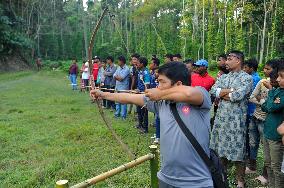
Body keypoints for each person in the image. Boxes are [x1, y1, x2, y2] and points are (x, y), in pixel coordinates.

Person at [90, 62, 213, 187]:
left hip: (196, 182)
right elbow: (128, 98)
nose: (158, 86)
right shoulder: (160, 103)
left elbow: (188, 93)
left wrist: (159, 94)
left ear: (179, 84)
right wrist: (103, 94)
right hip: (166, 179)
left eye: (162, 82)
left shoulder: (200, 96)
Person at [209, 50, 253, 188]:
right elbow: (213, 90)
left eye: (229, 59)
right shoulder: (223, 77)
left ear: (238, 60)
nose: (225, 62)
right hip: (221, 119)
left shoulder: (247, 78)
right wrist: (230, 90)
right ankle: (222, 175)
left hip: (237, 121)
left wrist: (223, 92)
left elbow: (238, 96)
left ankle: (240, 181)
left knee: (238, 150)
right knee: (219, 148)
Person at [247, 59, 279, 184]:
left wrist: (263, 102)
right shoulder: (261, 82)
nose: (265, 71)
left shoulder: (278, 88)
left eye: (268, 69)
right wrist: (263, 103)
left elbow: (272, 107)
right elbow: (251, 97)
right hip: (256, 116)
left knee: (267, 149)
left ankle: (266, 175)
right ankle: (252, 166)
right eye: (264, 68)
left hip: (267, 121)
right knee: (253, 143)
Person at [261, 63, 284, 188]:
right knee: (268, 163)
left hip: (276, 136)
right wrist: (271, 101)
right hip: (267, 132)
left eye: (281, 77)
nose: (278, 79)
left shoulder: (279, 93)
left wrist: (270, 92)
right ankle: (271, 185)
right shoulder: (277, 90)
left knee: (276, 167)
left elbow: (269, 106)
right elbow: (265, 107)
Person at [136, 56, 150, 133]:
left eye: (138, 63)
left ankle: (145, 128)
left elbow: (147, 85)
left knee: (144, 111)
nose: (136, 64)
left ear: (142, 64)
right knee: (139, 110)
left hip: (143, 94)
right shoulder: (140, 71)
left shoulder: (146, 72)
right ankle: (140, 124)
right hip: (138, 93)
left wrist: (144, 93)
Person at [113, 56, 130, 120]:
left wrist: (117, 77)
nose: (118, 62)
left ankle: (123, 116)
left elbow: (121, 78)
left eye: (118, 61)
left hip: (123, 87)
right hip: (117, 87)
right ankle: (117, 114)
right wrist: (117, 77)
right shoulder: (118, 68)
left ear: (122, 61)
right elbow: (114, 75)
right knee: (117, 101)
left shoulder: (127, 69)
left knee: (123, 102)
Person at [149, 56, 160, 142]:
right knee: (156, 116)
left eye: (151, 63)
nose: (150, 64)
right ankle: (157, 134)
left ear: (155, 65)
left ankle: (159, 136)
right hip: (153, 95)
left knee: (158, 117)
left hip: (158, 96)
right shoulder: (152, 72)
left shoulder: (159, 72)